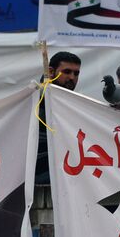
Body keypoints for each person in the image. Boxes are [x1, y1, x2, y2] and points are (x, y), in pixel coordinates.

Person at [36, 51, 81, 183]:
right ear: (50, 71)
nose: (72, 77)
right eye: (67, 72)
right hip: (42, 181)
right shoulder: (37, 101)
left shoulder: (74, 104)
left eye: (76, 73)